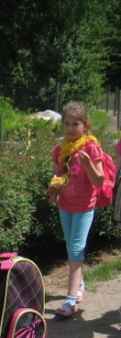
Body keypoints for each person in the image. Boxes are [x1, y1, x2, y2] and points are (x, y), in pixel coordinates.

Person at [46, 101, 106, 318]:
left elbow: (99, 182)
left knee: (76, 249)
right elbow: (58, 175)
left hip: (84, 206)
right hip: (65, 205)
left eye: (76, 124)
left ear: (85, 125)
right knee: (70, 247)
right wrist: (54, 187)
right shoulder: (60, 150)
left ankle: (70, 301)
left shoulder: (91, 148)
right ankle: (79, 284)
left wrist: (88, 163)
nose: (70, 128)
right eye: (67, 124)